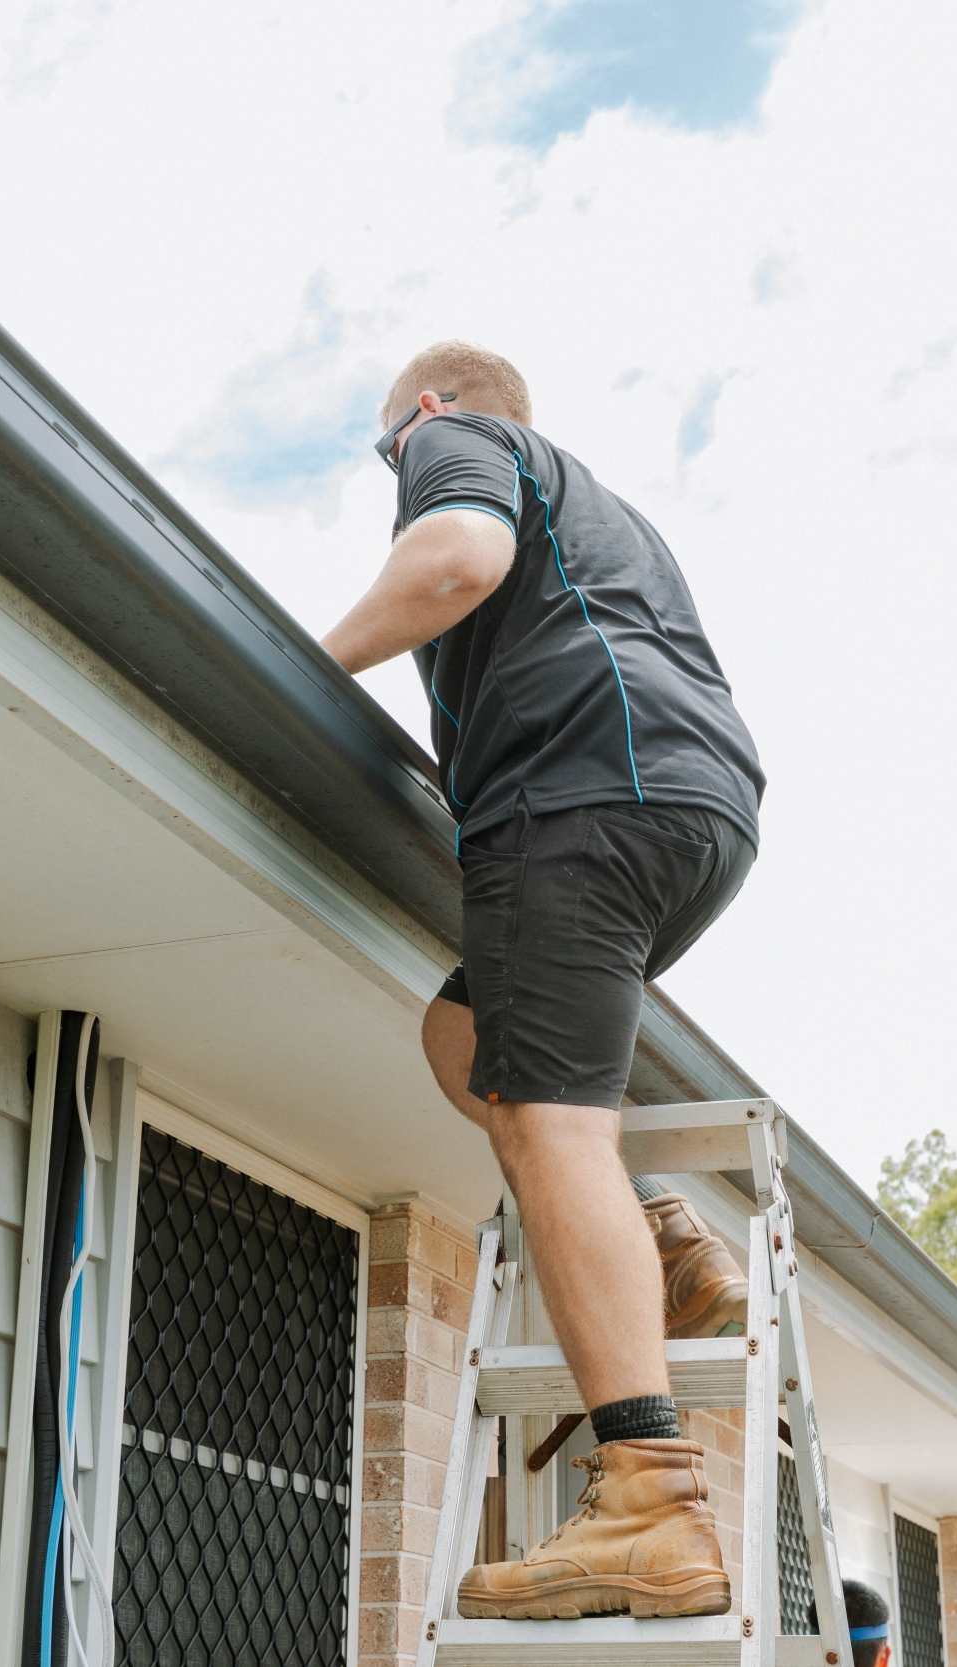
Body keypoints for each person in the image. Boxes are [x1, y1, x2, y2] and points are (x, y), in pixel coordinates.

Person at [321, 341, 767, 1620]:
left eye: (385, 450)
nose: (392, 468)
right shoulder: (608, 511)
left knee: (544, 1119)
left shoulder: (458, 443)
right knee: (464, 1032)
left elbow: (457, 558)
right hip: (697, 813)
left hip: (578, 798)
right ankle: (669, 1242)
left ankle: (647, 1496)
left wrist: (315, 661)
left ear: (421, 411)